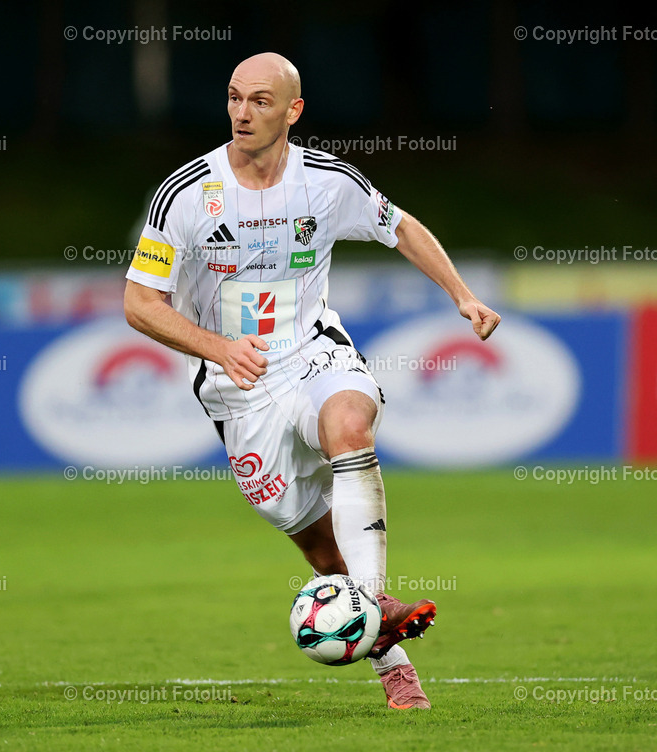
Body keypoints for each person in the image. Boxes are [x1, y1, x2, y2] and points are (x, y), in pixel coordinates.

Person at [123, 52, 500, 709]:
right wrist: (218, 347)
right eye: (236, 98)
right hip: (237, 389)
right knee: (325, 553)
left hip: (312, 352)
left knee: (349, 424)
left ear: (293, 111)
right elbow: (140, 303)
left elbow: (401, 226)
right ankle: (392, 654)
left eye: (261, 101)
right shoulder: (186, 193)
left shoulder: (327, 182)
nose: (243, 112)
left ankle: (377, 600)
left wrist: (461, 295)